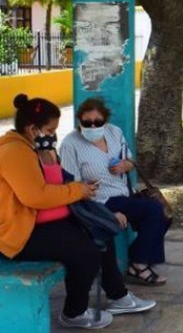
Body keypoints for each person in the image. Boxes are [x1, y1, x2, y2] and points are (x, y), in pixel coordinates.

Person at [0, 94, 155, 330]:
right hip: (16, 233)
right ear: (33, 128)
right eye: (50, 129)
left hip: (37, 221)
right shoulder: (14, 152)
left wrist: (49, 156)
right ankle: (74, 312)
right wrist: (77, 190)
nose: (53, 134)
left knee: (100, 229)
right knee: (86, 252)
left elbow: (54, 182)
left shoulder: (31, 148)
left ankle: (118, 296)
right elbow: (36, 196)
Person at [60, 98, 170, 287]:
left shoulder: (114, 132)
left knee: (163, 212)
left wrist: (124, 166)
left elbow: (129, 161)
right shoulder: (71, 143)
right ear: (80, 121)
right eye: (87, 122)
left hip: (123, 193)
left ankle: (142, 256)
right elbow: (71, 184)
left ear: (105, 120)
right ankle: (138, 264)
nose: (93, 126)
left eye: (98, 121)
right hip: (99, 199)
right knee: (152, 210)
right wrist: (103, 210)